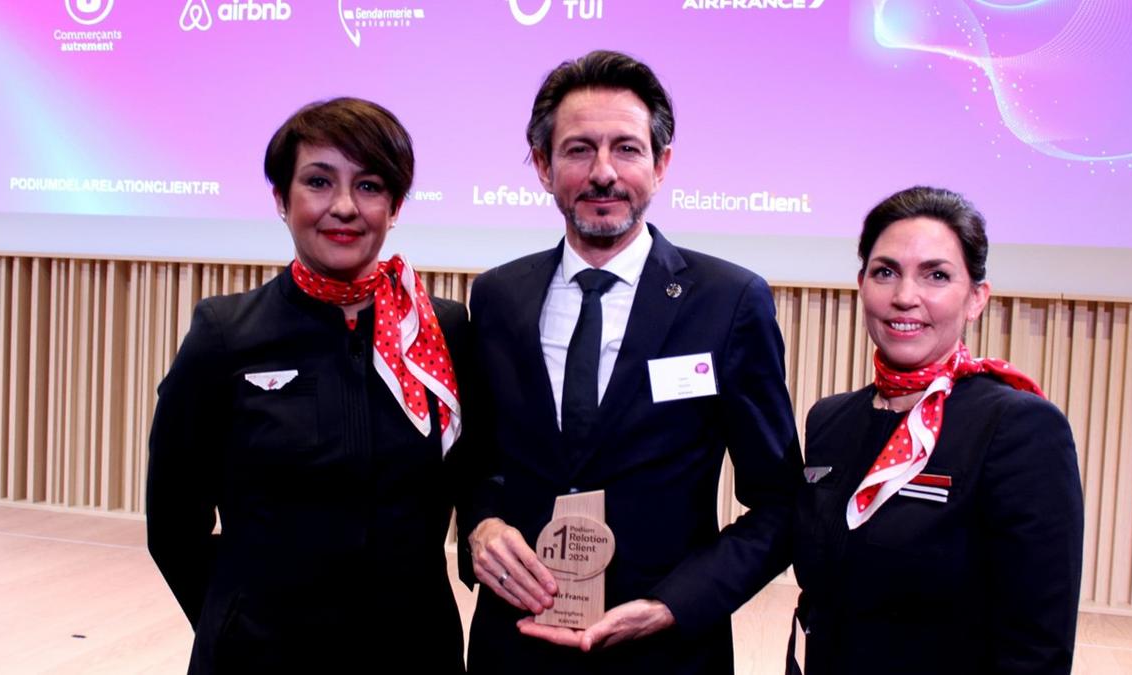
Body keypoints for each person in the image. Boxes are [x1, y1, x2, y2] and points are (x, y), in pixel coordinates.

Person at [459, 50, 802, 674]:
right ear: (543, 165)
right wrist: (481, 526)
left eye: (627, 149)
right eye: (578, 150)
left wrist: (674, 606)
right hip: (514, 646)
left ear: (661, 164)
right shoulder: (498, 297)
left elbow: (780, 504)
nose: (603, 173)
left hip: (665, 654)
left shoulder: (727, 301)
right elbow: (479, 464)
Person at [146, 98, 470, 674]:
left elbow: (476, 480)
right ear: (281, 199)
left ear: (394, 206)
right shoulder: (225, 334)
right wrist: (233, 620)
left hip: (414, 653)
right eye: (319, 182)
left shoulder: (439, 332)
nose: (343, 207)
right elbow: (173, 522)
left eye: (369, 186)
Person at [789, 186, 1083, 674]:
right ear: (861, 284)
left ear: (976, 299)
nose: (905, 297)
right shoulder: (830, 420)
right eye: (885, 272)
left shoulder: (1019, 427)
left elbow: (1038, 647)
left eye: (937, 276)